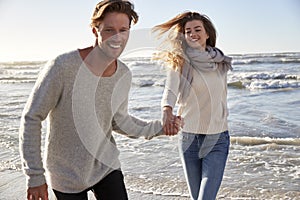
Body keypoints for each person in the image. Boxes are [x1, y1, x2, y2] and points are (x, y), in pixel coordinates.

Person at [19, 1, 182, 199]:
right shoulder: (63, 66)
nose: (117, 37)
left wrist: (161, 127)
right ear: (95, 31)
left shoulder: (123, 74)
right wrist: (35, 176)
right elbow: (32, 117)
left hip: (106, 167)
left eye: (124, 30)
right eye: (109, 30)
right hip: (66, 174)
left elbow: (119, 121)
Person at [152, 11, 232, 200]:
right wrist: (167, 110)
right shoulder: (179, 62)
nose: (193, 34)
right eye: (188, 31)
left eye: (197, 29)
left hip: (218, 138)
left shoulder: (220, 63)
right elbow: (170, 90)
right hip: (190, 139)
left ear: (207, 34)